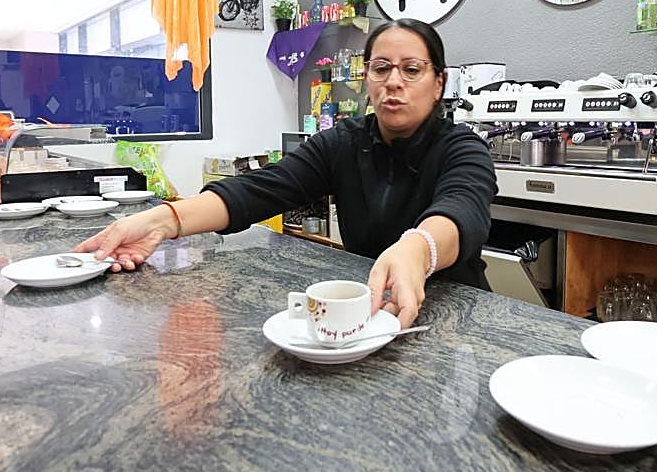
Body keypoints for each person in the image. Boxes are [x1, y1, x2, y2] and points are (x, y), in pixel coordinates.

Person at [76, 19, 497, 328]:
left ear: (438, 82)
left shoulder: (462, 148)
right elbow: (260, 189)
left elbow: (462, 208)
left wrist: (416, 249)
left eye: (412, 69)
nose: (393, 82)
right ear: (366, 76)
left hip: (455, 317)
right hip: (367, 316)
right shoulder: (344, 143)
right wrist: (164, 219)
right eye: (381, 67)